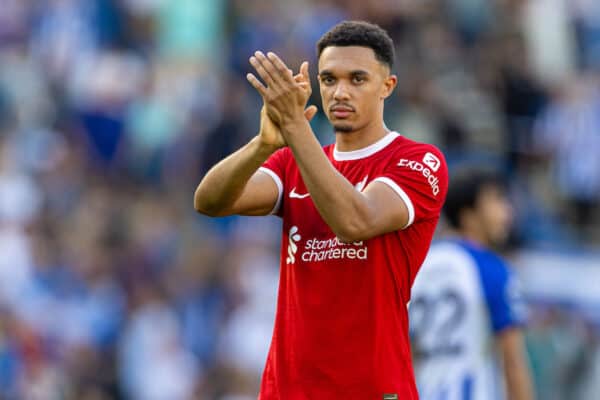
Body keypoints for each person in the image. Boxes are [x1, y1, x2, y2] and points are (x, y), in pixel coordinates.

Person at [194, 21, 448, 399]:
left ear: (387, 86)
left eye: (357, 79)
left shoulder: (418, 160)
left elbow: (355, 220)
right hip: (288, 389)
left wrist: (297, 129)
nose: (340, 92)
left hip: (371, 388)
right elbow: (210, 201)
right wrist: (263, 144)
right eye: (328, 80)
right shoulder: (292, 161)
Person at [409, 169, 534, 400]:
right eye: (497, 200)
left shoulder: (417, 267)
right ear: (469, 214)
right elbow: (513, 360)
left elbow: (403, 352)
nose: (507, 212)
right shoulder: (491, 269)